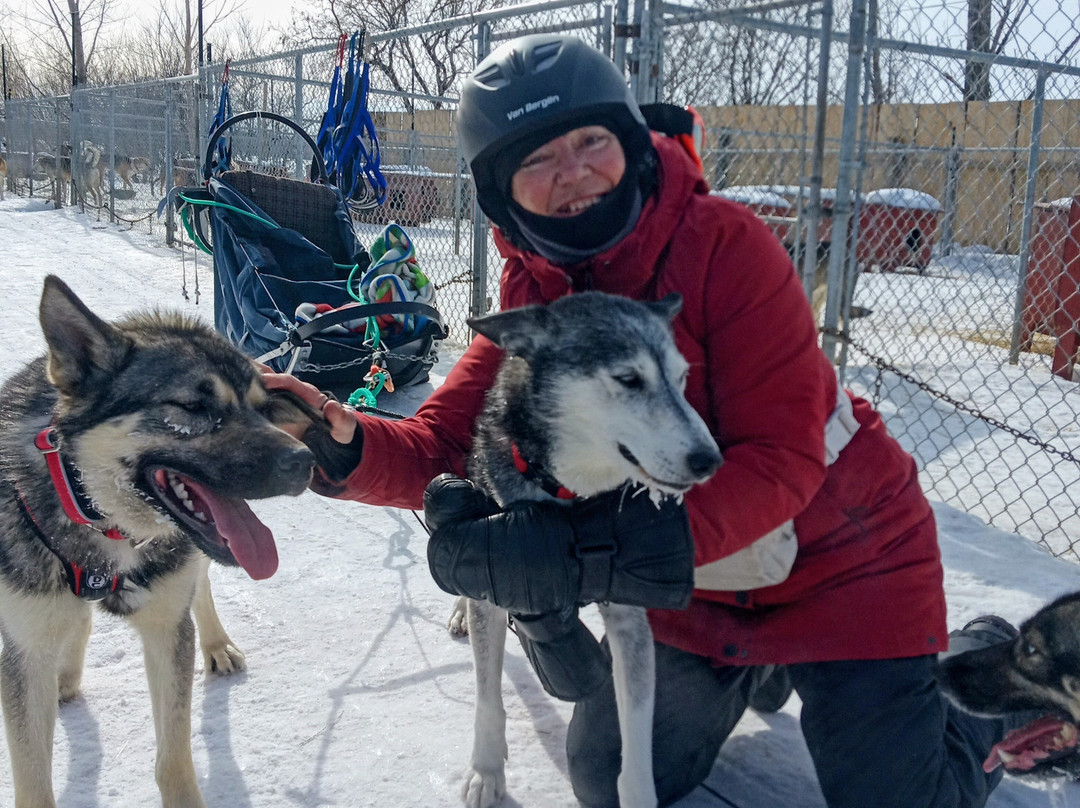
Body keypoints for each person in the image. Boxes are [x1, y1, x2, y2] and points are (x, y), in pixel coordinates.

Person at [265, 33, 1029, 808]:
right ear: (500, 193)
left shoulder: (729, 246)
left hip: (848, 560)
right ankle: (755, 667)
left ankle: (983, 668)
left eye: (591, 141)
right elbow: (450, 443)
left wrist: (589, 553)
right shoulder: (535, 294)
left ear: (628, 144)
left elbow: (784, 458)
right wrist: (344, 443)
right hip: (698, 588)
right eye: (536, 161)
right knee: (604, 774)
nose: (572, 173)